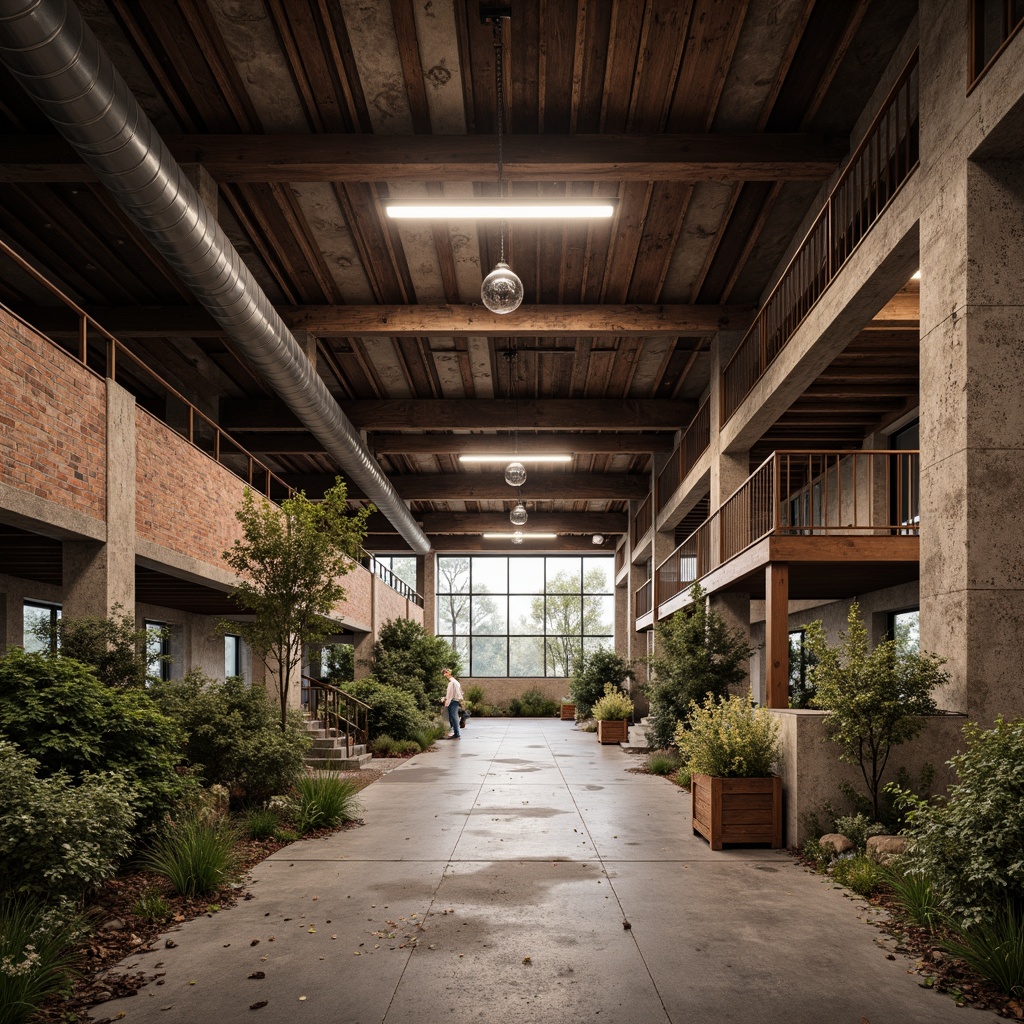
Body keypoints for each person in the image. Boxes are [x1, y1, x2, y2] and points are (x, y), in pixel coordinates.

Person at [442, 668, 463, 740]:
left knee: (454, 717)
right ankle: (456, 734)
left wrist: (446, 701)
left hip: (452, 701)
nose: (445, 675)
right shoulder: (456, 682)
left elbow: (450, 694)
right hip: (455, 701)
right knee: (453, 717)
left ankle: (457, 734)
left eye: (445, 673)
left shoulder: (452, 683)